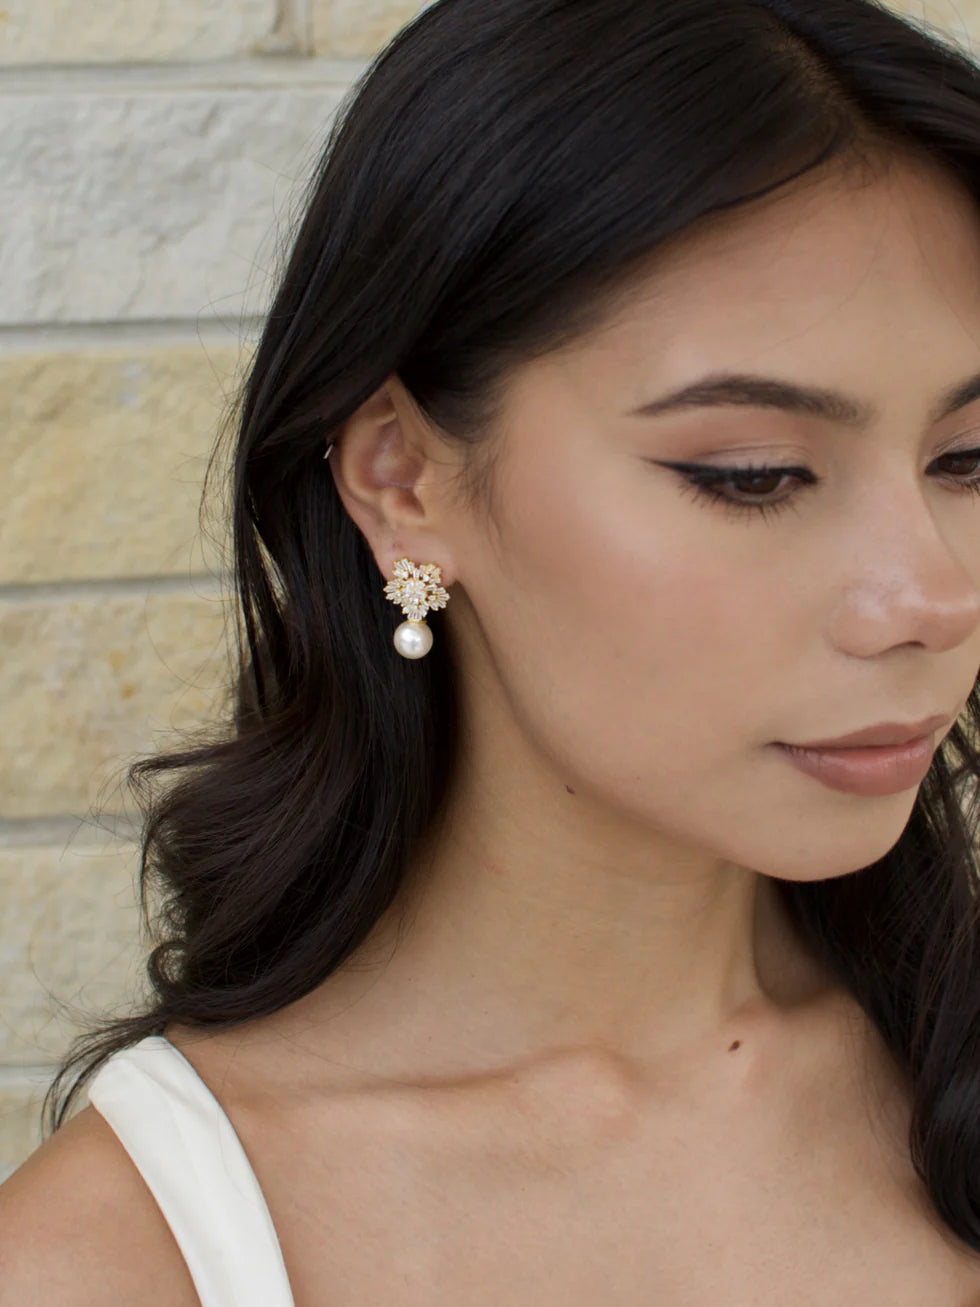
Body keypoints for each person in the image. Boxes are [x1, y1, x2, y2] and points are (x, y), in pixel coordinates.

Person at [3, 0, 980, 1302]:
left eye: (968, 459)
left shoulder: (939, 1071)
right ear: (403, 480)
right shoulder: (118, 1258)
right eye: (754, 475)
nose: (927, 598)